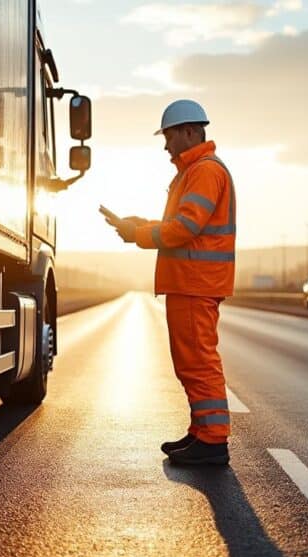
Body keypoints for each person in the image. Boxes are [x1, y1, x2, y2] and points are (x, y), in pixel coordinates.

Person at [106, 99, 236, 466]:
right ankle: (201, 432)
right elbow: (183, 225)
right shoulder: (192, 172)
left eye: (169, 136)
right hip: (189, 281)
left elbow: (186, 228)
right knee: (189, 360)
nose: (166, 146)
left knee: (198, 360)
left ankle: (212, 441)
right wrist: (140, 224)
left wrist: (139, 234)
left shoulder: (205, 172)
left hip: (196, 282)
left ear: (189, 132)